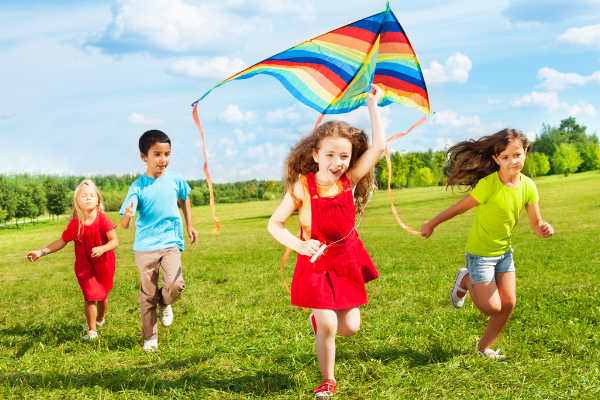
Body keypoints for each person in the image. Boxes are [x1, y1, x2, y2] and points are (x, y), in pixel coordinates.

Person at [268, 84, 385, 398]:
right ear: (315, 154)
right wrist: (300, 245)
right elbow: (275, 224)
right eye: (330, 154)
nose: (337, 161)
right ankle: (327, 380)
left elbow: (378, 148)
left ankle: (316, 322)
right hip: (316, 264)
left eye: (344, 155)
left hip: (347, 261)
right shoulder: (300, 187)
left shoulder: (350, 180)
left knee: (350, 328)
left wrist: (373, 105)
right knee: (330, 325)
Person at [421, 129, 554, 359]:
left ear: (525, 152)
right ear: (495, 159)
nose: (512, 161)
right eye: (505, 157)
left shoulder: (529, 186)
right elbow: (458, 208)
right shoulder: (488, 185)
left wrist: (543, 229)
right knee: (491, 307)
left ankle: (483, 348)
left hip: (504, 253)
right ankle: (466, 277)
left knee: (508, 303)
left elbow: (535, 222)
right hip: (481, 255)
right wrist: (431, 223)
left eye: (517, 154)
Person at [120, 129, 198, 352]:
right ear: (144, 157)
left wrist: (189, 225)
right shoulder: (137, 187)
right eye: (157, 154)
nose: (163, 159)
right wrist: (127, 216)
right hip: (145, 248)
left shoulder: (176, 179)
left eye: (167, 154)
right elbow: (125, 224)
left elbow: (185, 198)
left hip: (171, 242)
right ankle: (150, 337)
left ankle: (165, 302)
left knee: (175, 284)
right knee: (148, 294)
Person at [27, 179, 118, 340]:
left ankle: (100, 319)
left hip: (103, 263)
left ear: (98, 200)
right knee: (90, 295)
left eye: (92, 195)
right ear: (77, 201)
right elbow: (61, 242)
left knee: (102, 296)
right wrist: (41, 252)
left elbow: (114, 241)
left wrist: (103, 248)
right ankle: (92, 330)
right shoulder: (75, 224)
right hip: (84, 265)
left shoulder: (103, 219)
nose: (88, 198)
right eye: (83, 195)